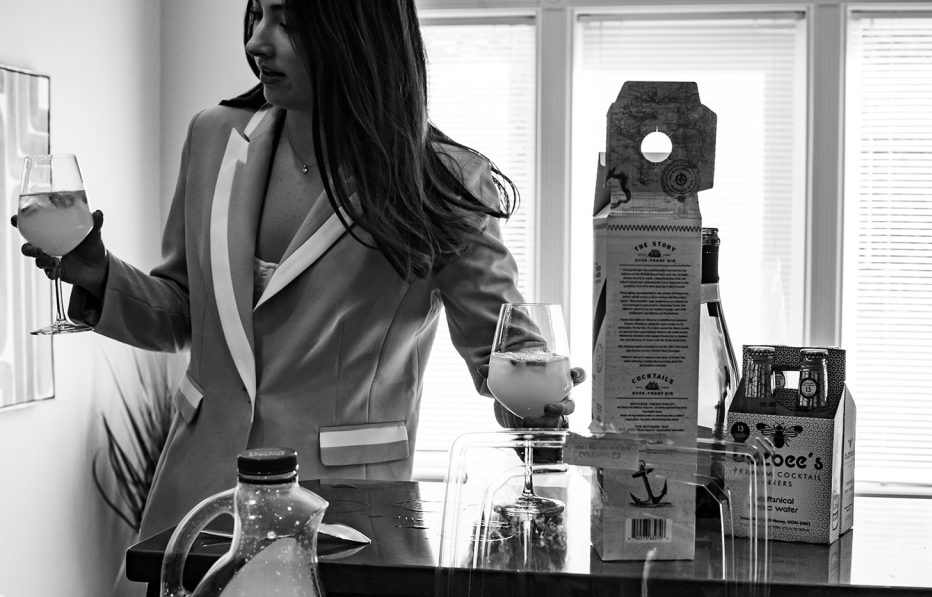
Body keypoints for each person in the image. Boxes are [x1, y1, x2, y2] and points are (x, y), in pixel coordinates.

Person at [13, 0, 583, 540]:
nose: (257, 41)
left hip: (345, 514)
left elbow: (506, 352)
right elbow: (182, 314)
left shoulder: (444, 181)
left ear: (357, 34)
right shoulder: (213, 137)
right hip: (196, 504)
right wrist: (96, 273)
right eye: (258, 13)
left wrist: (536, 405)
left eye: (289, 21)